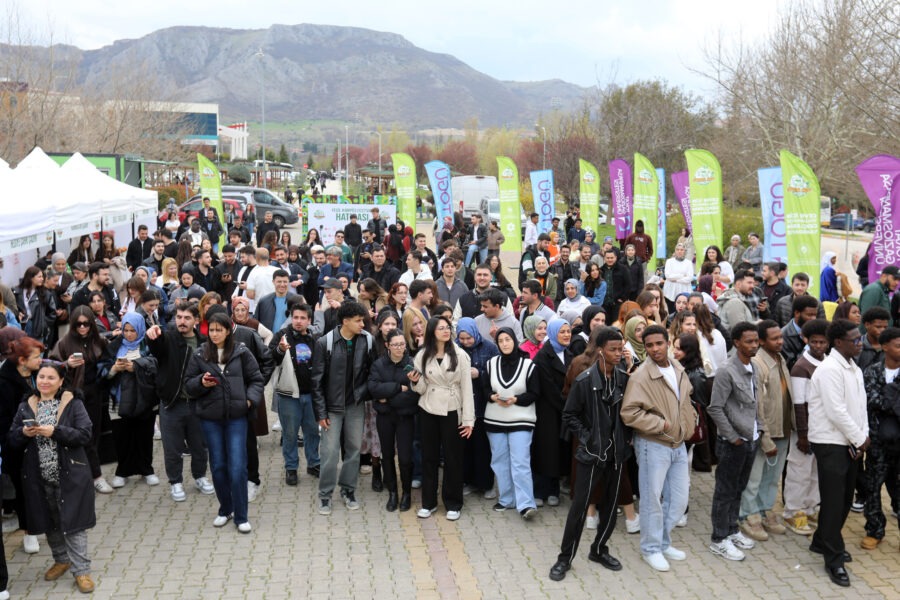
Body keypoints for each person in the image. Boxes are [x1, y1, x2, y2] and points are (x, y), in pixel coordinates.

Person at [9, 360, 96, 593]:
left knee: (74, 523)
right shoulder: (26, 405)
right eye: (41, 377)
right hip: (38, 476)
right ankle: (61, 560)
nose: (44, 382)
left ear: (60, 381)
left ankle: (82, 571)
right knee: (50, 521)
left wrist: (55, 431)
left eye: (50, 378)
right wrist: (23, 432)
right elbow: (12, 439)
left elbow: (85, 434)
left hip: (70, 474)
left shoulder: (73, 403)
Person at [549, 327, 629, 581]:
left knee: (611, 506)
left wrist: (625, 440)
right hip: (591, 455)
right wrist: (588, 438)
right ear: (600, 350)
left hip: (617, 455)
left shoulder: (624, 378)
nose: (618, 353)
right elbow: (569, 415)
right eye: (613, 349)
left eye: (620, 349)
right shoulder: (584, 381)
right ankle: (564, 558)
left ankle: (599, 549)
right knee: (579, 508)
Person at [621, 325, 695, 572]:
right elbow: (629, 412)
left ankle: (663, 542)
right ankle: (650, 549)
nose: (655, 349)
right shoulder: (641, 376)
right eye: (649, 345)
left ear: (668, 343)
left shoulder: (678, 368)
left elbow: (686, 400)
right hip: (652, 444)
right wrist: (660, 424)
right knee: (652, 499)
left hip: (678, 443)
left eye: (659, 343)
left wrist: (689, 422)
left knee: (679, 500)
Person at [184, 312, 264, 533]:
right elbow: (188, 385)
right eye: (211, 330)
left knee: (237, 467)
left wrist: (249, 400)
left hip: (237, 418)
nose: (215, 334)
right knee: (218, 466)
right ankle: (225, 509)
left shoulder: (241, 352)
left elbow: (256, 379)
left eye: (219, 330)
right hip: (210, 419)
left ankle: (241, 515)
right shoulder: (199, 354)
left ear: (228, 331)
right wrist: (201, 383)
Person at [807, 319, 868, 587]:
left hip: (850, 441)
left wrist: (862, 436)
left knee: (844, 499)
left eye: (860, 338)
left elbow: (860, 408)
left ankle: (821, 540)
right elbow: (835, 411)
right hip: (830, 442)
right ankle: (833, 560)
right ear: (839, 342)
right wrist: (859, 438)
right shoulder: (829, 370)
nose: (860, 343)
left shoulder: (854, 368)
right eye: (855, 339)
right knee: (833, 502)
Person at [145, 301, 216, 502]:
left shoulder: (204, 343)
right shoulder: (168, 338)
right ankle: (175, 482)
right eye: (179, 317)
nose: (182, 321)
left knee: (200, 446)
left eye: (187, 318)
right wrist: (152, 336)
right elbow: (156, 347)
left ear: (196, 320)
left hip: (197, 403)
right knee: (172, 448)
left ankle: (200, 477)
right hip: (172, 403)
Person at [312, 301, 377, 515]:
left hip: (355, 405)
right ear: (345, 321)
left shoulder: (367, 340)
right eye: (358, 321)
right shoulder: (325, 343)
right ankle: (325, 494)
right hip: (332, 408)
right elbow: (316, 381)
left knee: (354, 450)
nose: (363, 324)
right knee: (329, 453)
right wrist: (321, 413)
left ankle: (348, 490)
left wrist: (364, 393)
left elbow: (373, 372)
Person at [408, 315, 474, 521]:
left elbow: (467, 388)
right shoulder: (422, 355)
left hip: (452, 409)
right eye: (441, 328)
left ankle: (453, 503)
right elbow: (421, 388)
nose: (446, 331)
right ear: (432, 332)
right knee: (429, 457)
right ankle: (428, 502)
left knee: (453, 458)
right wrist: (414, 381)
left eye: (448, 327)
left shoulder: (460, 355)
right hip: (428, 408)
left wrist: (468, 420)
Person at [707, 322, 763, 561]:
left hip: (752, 438)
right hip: (733, 442)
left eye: (756, 340)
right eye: (749, 341)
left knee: (739, 488)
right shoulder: (726, 370)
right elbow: (715, 408)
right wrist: (732, 437)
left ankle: (732, 529)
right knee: (725, 491)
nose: (754, 345)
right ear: (737, 342)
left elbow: (756, 402)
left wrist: (760, 429)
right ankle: (719, 538)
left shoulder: (754, 367)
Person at [737, 320, 792, 542]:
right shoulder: (758, 364)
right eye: (774, 338)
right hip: (764, 432)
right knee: (754, 477)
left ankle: (764, 509)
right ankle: (748, 515)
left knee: (772, 477)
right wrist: (764, 436)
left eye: (781, 337)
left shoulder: (780, 359)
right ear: (761, 341)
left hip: (783, 428)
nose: (780, 341)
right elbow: (757, 405)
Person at [50, 305, 112, 493]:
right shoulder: (64, 342)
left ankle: (91, 475)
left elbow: (107, 362)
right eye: (78, 324)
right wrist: (66, 364)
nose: (83, 327)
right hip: (75, 394)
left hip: (96, 393)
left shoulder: (99, 341)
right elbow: (51, 365)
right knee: (82, 436)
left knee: (94, 435)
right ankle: (96, 476)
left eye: (86, 324)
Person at [99, 312, 159, 489]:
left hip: (144, 399)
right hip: (118, 401)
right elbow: (102, 371)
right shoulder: (114, 346)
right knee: (121, 437)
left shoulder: (148, 345)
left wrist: (136, 366)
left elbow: (156, 366)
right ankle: (122, 472)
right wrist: (115, 369)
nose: (129, 334)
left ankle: (146, 470)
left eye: (133, 330)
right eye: (126, 330)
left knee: (144, 436)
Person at [782, 318, 829, 535]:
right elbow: (799, 404)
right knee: (799, 472)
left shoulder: (827, 362)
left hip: (822, 429)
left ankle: (811, 508)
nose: (818, 346)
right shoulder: (801, 367)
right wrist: (803, 435)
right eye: (814, 342)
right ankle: (793, 512)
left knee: (816, 472)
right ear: (806, 340)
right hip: (805, 430)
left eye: (823, 342)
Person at [0, 337, 44, 555]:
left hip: (38, 440)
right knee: (24, 490)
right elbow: (4, 421)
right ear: (22, 361)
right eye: (36, 357)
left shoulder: (36, 374)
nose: (41, 360)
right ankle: (28, 532)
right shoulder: (4, 383)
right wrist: (19, 434)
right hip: (16, 445)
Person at [368, 329, 419, 512]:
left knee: (405, 457)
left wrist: (387, 398)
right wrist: (398, 388)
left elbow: (414, 395)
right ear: (387, 345)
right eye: (395, 344)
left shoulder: (412, 364)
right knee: (387, 455)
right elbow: (374, 388)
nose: (399, 348)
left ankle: (406, 493)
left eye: (402, 344)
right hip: (385, 418)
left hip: (405, 417)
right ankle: (392, 492)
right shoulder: (378, 365)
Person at [270, 303, 320, 486]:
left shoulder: (315, 338)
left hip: (311, 395)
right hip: (288, 395)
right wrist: (280, 350)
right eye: (295, 317)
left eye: (302, 318)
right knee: (290, 434)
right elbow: (270, 358)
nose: (298, 321)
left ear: (309, 320)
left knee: (312, 432)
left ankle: (314, 463)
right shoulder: (281, 336)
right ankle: (291, 468)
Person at [860, 326, 900, 551]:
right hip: (877, 442)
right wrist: (894, 402)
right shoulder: (872, 371)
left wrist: (887, 401)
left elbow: (882, 402)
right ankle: (874, 530)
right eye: (898, 345)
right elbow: (872, 399)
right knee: (873, 488)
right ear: (885, 347)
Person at [456, 318, 499, 498]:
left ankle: (486, 484)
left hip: (483, 405)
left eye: (469, 338)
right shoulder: (454, 349)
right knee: (466, 448)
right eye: (462, 338)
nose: (466, 342)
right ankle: (469, 482)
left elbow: (497, 372)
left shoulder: (489, 348)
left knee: (483, 448)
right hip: (463, 407)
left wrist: (480, 373)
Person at [532, 317, 573, 507]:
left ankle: (553, 490)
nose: (566, 335)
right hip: (547, 411)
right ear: (553, 333)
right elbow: (548, 388)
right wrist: (567, 406)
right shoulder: (543, 356)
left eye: (568, 331)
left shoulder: (569, 354)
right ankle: (539, 490)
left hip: (564, 411)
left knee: (558, 450)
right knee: (545, 449)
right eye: (562, 332)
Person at [14, 266, 57, 346]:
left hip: (38, 330)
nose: (42, 279)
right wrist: (17, 314)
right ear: (31, 277)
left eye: (42, 277)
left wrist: (43, 323)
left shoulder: (45, 293)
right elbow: (11, 308)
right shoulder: (16, 292)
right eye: (39, 277)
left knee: (37, 352)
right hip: (21, 328)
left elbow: (53, 313)